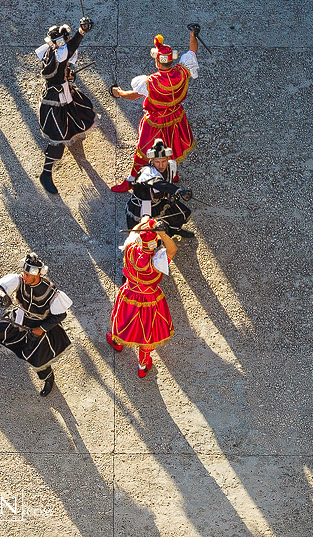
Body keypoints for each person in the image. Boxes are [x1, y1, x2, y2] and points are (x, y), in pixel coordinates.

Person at [0, 253, 73, 397]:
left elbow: (61, 315)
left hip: (40, 325)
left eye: (27, 275)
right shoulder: (19, 280)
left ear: (37, 275)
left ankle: (48, 378)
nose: (24, 276)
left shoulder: (50, 291)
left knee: (38, 356)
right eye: (24, 273)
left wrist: (41, 329)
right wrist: (2, 295)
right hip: (20, 317)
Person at [109, 27, 200, 193]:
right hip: (176, 116)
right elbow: (192, 51)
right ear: (171, 60)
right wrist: (193, 35)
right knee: (173, 146)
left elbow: (133, 96)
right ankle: (172, 173)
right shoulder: (182, 71)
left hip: (155, 123)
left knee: (142, 152)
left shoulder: (151, 82)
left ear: (158, 62)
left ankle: (131, 180)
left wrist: (119, 93)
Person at [107, 217, 177, 378]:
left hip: (129, 293)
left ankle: (117, 342)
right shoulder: (157, 262)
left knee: (122, 319)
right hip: (150, 300)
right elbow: (172, 249)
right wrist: (163, 234)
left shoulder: (130, 248)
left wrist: (144, 221)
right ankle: (143, 365)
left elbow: (133, 232)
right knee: (147, 331)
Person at [36, 21, 98, 195]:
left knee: (77, 113)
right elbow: (70, 49)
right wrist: (81, 31)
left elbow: (62, 65)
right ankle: (46, 173)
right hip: (55, 101)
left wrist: (67, 75)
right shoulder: (60, 52)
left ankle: (72, 138)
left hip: (61, 92)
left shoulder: (52, 50)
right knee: (59, 135)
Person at [125, 139, 194, 238]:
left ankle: (175, 230)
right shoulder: (146, 172)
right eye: (157, 162)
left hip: (159, 201)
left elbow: (168, 182)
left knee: (179, 215)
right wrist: (176, 190)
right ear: (152, 160)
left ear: (168, 159)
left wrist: (171, 195)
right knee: (145, 233)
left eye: (164, 161)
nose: (161, 165)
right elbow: (157, 183)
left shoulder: (171, 166)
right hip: (143, 205)